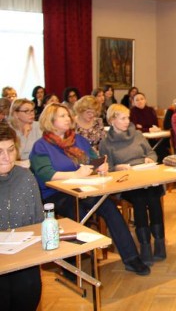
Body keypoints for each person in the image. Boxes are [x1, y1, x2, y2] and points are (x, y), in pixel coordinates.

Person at [29, 103, 150, 275]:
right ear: (50, 120)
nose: (68, 118)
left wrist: (101, 165)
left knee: (110, 208)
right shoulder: (41, 145)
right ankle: (71, 267)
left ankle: (131, 258)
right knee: (76, 213)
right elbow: (45, 174)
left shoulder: (78, 140)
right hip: (56, 193)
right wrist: (76, 174)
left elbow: (95, 159)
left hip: (84, 188)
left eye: (68, 115)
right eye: (62, 116)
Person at [100, 104, 166, 265]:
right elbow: (106, 168)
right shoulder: (106, 143)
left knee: (154, 195)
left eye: (128, 118)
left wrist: (150, 159)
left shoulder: (137, 134)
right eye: (123, 118)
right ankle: (144, 245)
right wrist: (117, 167)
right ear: (112, 120)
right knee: (140, 198)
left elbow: (151, 152)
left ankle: (159, 242)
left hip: (145, 174)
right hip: (126, 181)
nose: (127, 121)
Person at [0, 123, 44, 311]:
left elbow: (38, 221)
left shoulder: (25, 177)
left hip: (23, 255)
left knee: (29, 289)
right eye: (0, 152)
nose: (7, 157)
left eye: (11, 150)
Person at [129, 92, 169, 162]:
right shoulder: (132, 112)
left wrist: (145, 127)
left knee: (163, 143)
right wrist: (148, 129)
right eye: (137, 100)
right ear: (133, 102)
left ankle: (164, 161)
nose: (140, 101)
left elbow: (155, 124)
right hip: (141, 137)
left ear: (145, 100)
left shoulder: (150, 110)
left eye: (142, 99)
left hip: (153, 135)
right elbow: (135, 128)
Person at [8, 98, 42, 163]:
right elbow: (15, 155)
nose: (32, 114)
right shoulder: (9, 130)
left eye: (32, 110)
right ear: (15, 113)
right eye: (26, 111)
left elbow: (42, 150)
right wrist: (24, 136)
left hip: (36, 163)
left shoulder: (38, 126)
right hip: (16, 164)